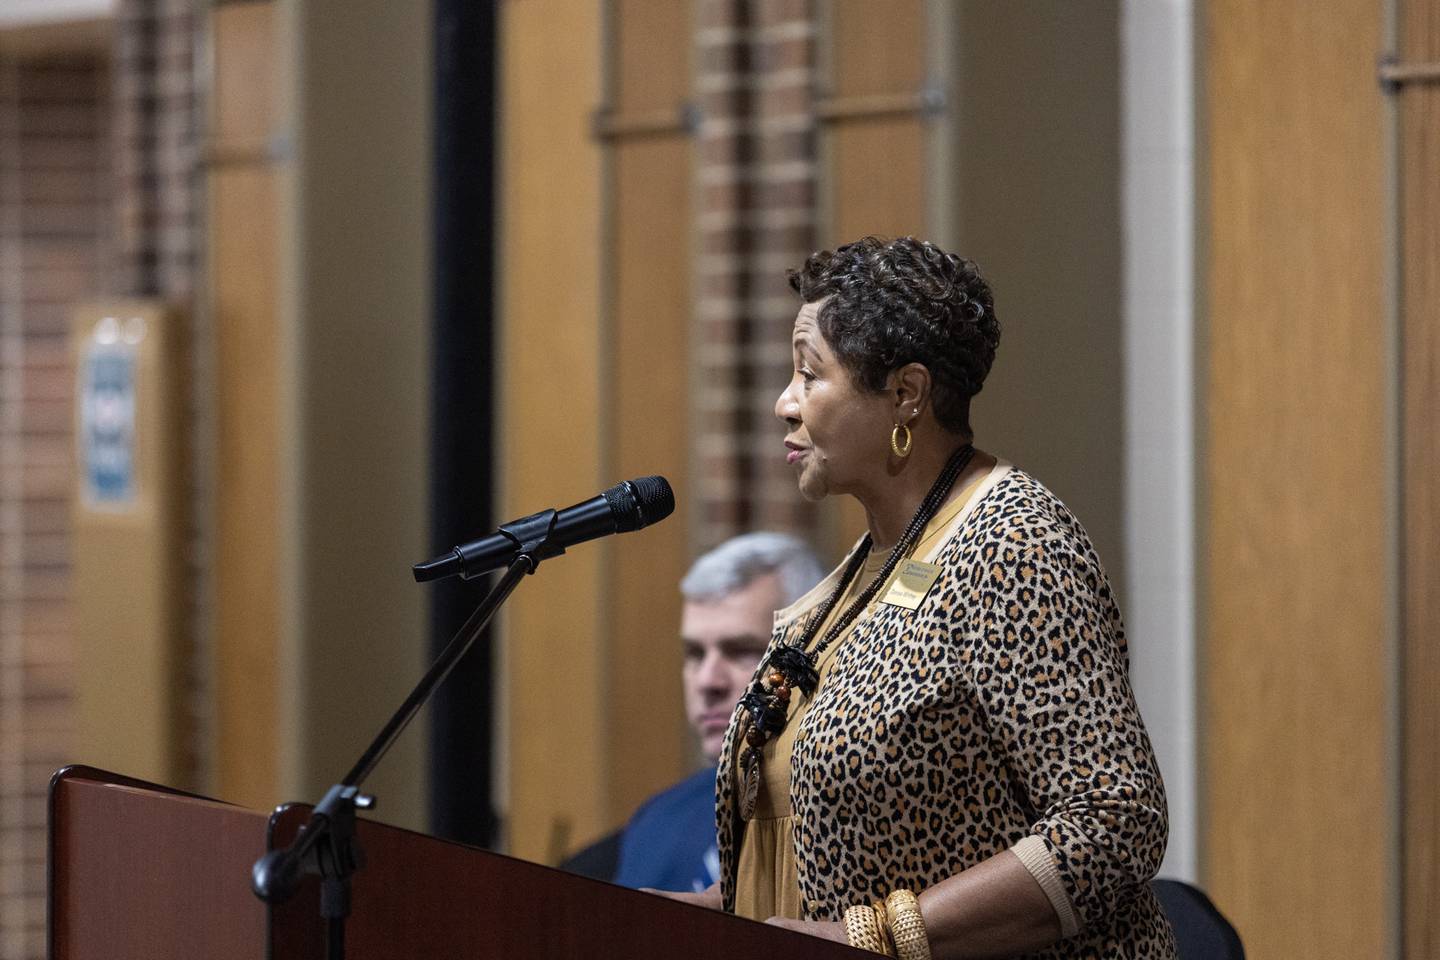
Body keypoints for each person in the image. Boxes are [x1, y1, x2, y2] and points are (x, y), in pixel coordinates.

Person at [665, 236, 1177, 959]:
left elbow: (1113, 819)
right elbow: (829, 870)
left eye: (811, 375)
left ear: (907, 394)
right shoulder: (865, 568)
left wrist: (872, 938)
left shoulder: (1013, 546)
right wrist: (663, 915)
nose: (784, 403)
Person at [562, 532, 824, 892]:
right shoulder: (658, 822)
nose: (707, 681)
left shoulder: (834, 813)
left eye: (741, 651)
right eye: (695, 654)